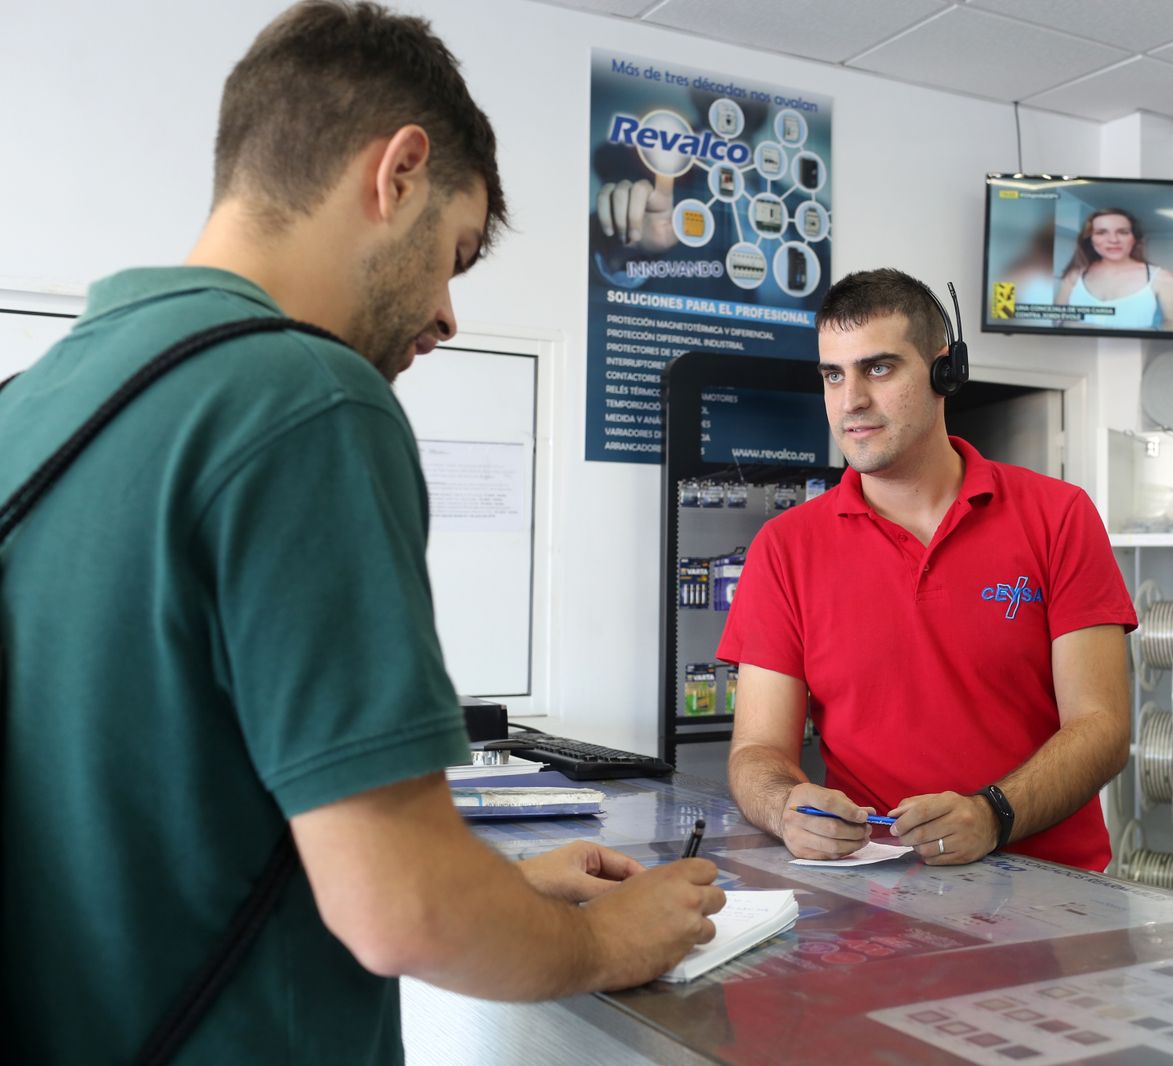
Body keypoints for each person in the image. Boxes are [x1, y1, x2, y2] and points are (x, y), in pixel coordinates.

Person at [0, 4, 722, 1062]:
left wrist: (505, 890)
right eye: (455, 253)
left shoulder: (35, 402)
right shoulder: (307, 397)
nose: (444, 313)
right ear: (398, 173)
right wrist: (607, 937)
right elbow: (401, 907)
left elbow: (165, 818)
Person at [719, 268, 1136, 870]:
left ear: (946, 370)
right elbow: (757, 748)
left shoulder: (1058, 516)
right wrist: (786, 806)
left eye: (878, 368)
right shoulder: (784, 548)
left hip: (1053, 892)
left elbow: (1100, 726)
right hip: (872, 891)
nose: (851, 400)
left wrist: (994, 814)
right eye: (833, 375)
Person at [1056, 207, 1173, 331]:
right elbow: (1056, 319)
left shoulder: (1163, 278)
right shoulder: (1074, 276)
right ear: (1090, 240)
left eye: (1123, 232)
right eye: (1101, 232)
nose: (1113, 240)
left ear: (1134, 239)